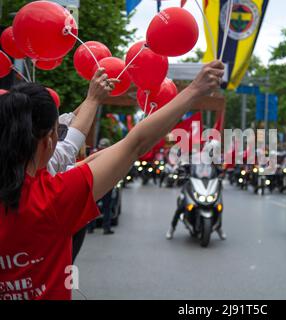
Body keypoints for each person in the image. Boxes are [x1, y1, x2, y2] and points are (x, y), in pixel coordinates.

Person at [0, 60, 224, 300]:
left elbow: (94, 157)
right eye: (57, 130)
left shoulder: (50, 183)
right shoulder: (53, 197)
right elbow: (134, 144)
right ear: (47, 140)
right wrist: (194, 90)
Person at [166, 139, 226, 240]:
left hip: (208, 184)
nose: (214, 152)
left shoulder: (215, 161)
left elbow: (219, 171)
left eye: (216, 150)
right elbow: (186, 165)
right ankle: (172, 228)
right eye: (213, 150)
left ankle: (219, 228)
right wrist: (182, 170)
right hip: (193, 183)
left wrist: (222, 172)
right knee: (181, 206)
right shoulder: (196, 157)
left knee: (218, 205)